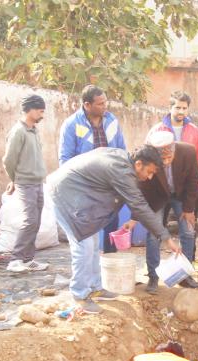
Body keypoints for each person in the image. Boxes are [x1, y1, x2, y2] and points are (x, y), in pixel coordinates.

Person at [48, 146, 180, 313]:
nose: (149, 177)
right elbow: (139, 206)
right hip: (65, 196)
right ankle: (79, 295)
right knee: (84, 247)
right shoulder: (121, 171)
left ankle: (94, 286)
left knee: (94, 243)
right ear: (139, 164)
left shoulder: (124, 161)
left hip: (80, 197)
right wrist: (166, 237)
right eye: (150, 171)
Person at [58, 85, 126, 253]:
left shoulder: (112, 121)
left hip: (109, 184)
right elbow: (65, 159)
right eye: (100, 104)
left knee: (111, 223)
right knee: (88, 231)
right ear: (87, 105)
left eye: (105, 102)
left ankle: (110, 261)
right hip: (85, 186)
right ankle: (91, 267)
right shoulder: (71, 125)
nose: (105, 106)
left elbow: (121, 150)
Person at [140, 130, 198, 293]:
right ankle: (153, 276)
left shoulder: (188, 152)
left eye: (169, 158)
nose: (165, 162)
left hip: (181, 195)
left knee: (188, 231)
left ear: (174, 150)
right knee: (153, 235)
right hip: (157, 197)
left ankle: (185, 275)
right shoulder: (147, 158)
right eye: (162, 159)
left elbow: (194, 181)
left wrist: (188, 209)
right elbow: (144, 187)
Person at [2, 93, 49, 273]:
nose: (41, 115)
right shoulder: (18, 131)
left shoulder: (34, 131)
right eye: (39, 111)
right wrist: (14, 180)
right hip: (25, 183)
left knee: (35, 221)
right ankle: (15, 259)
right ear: (29, 110)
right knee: (29, 220)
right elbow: (8, 160)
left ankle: (28, 259)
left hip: (37, 182)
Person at [148, 90, 198, 173]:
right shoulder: (157, 130)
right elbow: (148, 156)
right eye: (178, 108)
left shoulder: (195, 132)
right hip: (162, 180)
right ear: (170, 108)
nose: (181, 111)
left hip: (186, 181)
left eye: (184, 108)